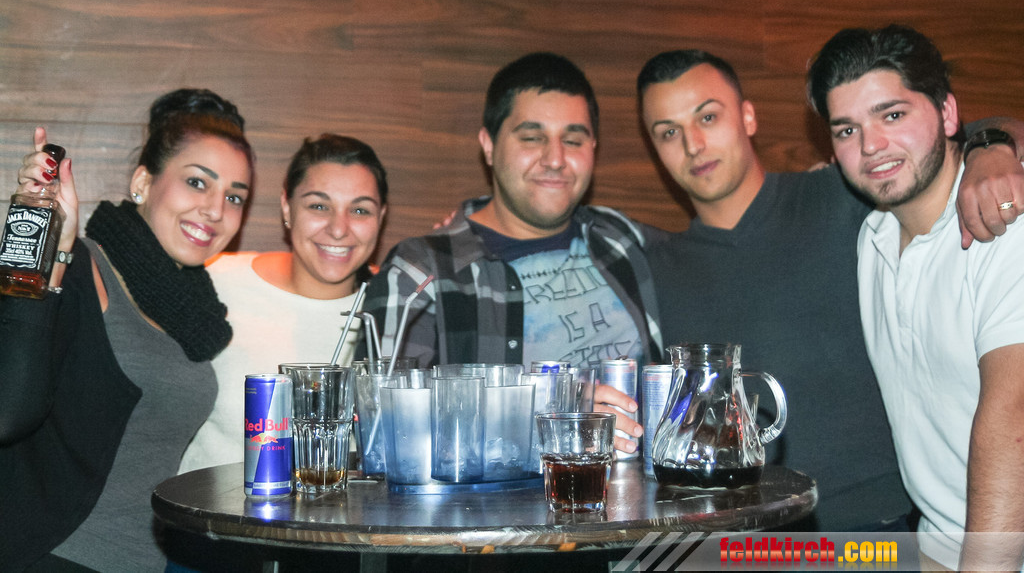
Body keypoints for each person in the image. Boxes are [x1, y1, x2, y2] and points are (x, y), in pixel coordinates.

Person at [639, 49, 1024, 532]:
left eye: (708, 117)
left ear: (748, 117)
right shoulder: (654, 268)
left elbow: (935, 138)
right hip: (745, 546)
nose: (693, 145)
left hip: (882, 536)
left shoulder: (846, 194)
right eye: (668, 132)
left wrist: (991, 148)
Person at [0, 88, 254, 571]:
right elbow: (7, 412)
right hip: (51, 556)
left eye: (234, 196)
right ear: (143, 181)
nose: (216, 209)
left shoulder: (197, 313)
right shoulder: (81, 264)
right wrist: (44, 240)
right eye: (197, 182)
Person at [364, 52, 665, 453]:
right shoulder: (422, 272)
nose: (555, 159)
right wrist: (555, 411)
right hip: (511, 495)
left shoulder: (623, 239)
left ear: (594, 148)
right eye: (532, 138)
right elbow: (381, 430)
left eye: (573, 140)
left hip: (646, 489)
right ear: (488, 146)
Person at [807, 25, 1024, 570]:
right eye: (847, 129)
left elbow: (1015, 417)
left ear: (948, 114)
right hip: (936, 548)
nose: (871, 146)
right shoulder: (872, 237)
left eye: (893, 115)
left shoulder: (1004, 224)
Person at [179, 134, 388, 473]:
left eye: (360, 210)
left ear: (381, 218)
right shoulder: (214, 280)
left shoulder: (394, 306)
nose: (339, 229)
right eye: (319, 206)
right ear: (287, 208)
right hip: (201, 505)